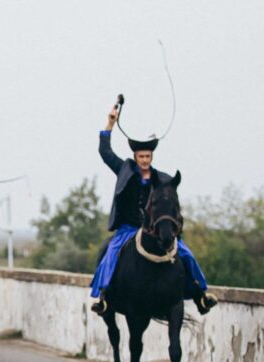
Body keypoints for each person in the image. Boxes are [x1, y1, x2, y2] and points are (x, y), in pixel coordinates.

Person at [91, 105, 218, 316]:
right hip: (128, 229)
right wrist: (110, 123)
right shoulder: (125, 170)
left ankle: (202, 294)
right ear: (135, 156)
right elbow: (105, 152)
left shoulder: (163, 180)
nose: (144, 161)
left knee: (186, 253)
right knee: (110, 253)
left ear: (152, 157)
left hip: (155, 230)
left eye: (148, 157)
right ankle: (103, 296)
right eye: (141, 157)